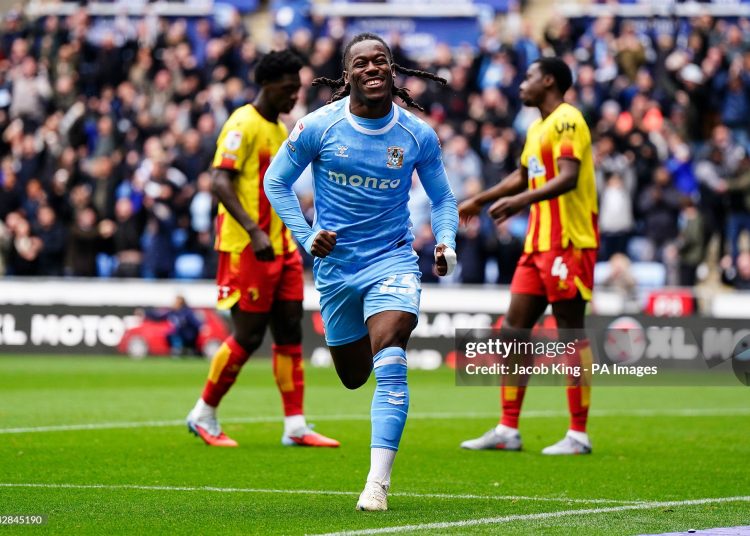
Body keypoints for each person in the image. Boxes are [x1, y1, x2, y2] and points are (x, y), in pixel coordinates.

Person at [264, 33, 458, 511]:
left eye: (382, 61)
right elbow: (276, 182)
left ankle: (377, 484)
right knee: (353, 375)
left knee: (391, 354)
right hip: (336, 269)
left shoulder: (417, 134)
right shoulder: (319, 126)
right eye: (362, 63)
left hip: (392, 259)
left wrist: (446, 240)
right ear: (346, 74)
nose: (373, 68)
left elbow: (443, 199)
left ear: (393, 71)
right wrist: (307, 235)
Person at [186, 50, 339, 449]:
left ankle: (295, 425)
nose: (294, 95)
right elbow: (219, 181)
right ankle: (203, 413)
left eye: (298, 88)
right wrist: (254, 231)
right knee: (249, 336)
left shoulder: (279, 128)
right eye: (289, 88)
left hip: (283, 246)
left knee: (290, 330)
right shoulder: (242, 123)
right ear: (268, 85)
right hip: (248, 246)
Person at [458, 57, 598, 455]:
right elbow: (524, 174)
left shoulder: (568, 119)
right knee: (513, 331)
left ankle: (578, 434)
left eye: (530, 77)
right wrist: (480, 199)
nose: (522, 83)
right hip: (538, 244)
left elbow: (568, 177)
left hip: (569, 241)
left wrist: (518, 202)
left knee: (570, 331)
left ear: (549, 81)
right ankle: (507, 428)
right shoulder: (537, 127)